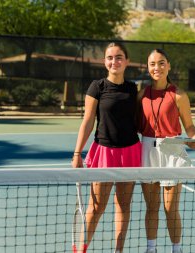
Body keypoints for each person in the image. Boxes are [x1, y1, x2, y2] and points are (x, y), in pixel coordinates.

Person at [71, 42, 141, 253]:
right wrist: (77, 153)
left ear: (126, 61)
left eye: (119, 57)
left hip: (130, 152)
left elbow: (137, 120)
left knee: (123, 206)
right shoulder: (97, 87)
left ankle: (118, 251)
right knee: (95, 208)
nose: (114, 61)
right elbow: (87, 122)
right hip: (104, 153)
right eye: (110, 57)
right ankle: (81, 250)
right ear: (105, 62)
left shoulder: (132, 88)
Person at [138, 49, 195, 253]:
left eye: (161, 63)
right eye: (153, 64)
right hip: (148, 150)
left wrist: (194, 138)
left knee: (170, 208)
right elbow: (135, 124)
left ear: (169, 66)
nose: (157, 67)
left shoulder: (179, 95)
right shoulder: (142, 95)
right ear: (148, 68)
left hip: (173, 150)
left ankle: (176, 249)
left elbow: (189, 125)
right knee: (152, 207)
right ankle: (151, 248)